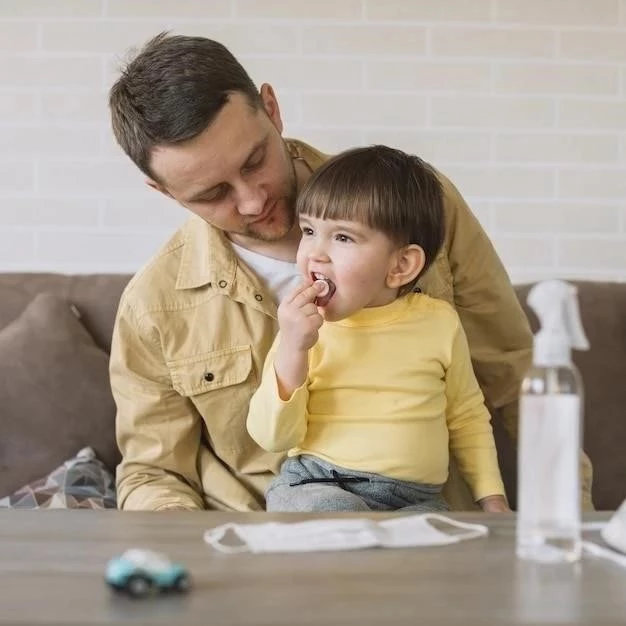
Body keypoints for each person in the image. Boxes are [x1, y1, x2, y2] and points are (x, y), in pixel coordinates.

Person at [108, 32, 593, 512]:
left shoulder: (416, 205)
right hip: (261, 546)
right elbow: (154, 471)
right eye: (213, 194)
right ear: (166, 192)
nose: (253, 200)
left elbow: (513, 376)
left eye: (255, 160)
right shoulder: (154, 306)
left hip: (425, 528)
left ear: (272, 108)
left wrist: (571, 529)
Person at [246, 145, 508, 513]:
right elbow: (273, 438)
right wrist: (293, 349)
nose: (315, 253)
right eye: (308, 229)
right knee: (328, 513)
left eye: (342, 237)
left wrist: (492, 498)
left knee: (441, 543)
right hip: (319, 482)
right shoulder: (301, 330)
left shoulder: (439, 323)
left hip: (416, 500)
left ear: (401, 265)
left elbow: (466, 415)